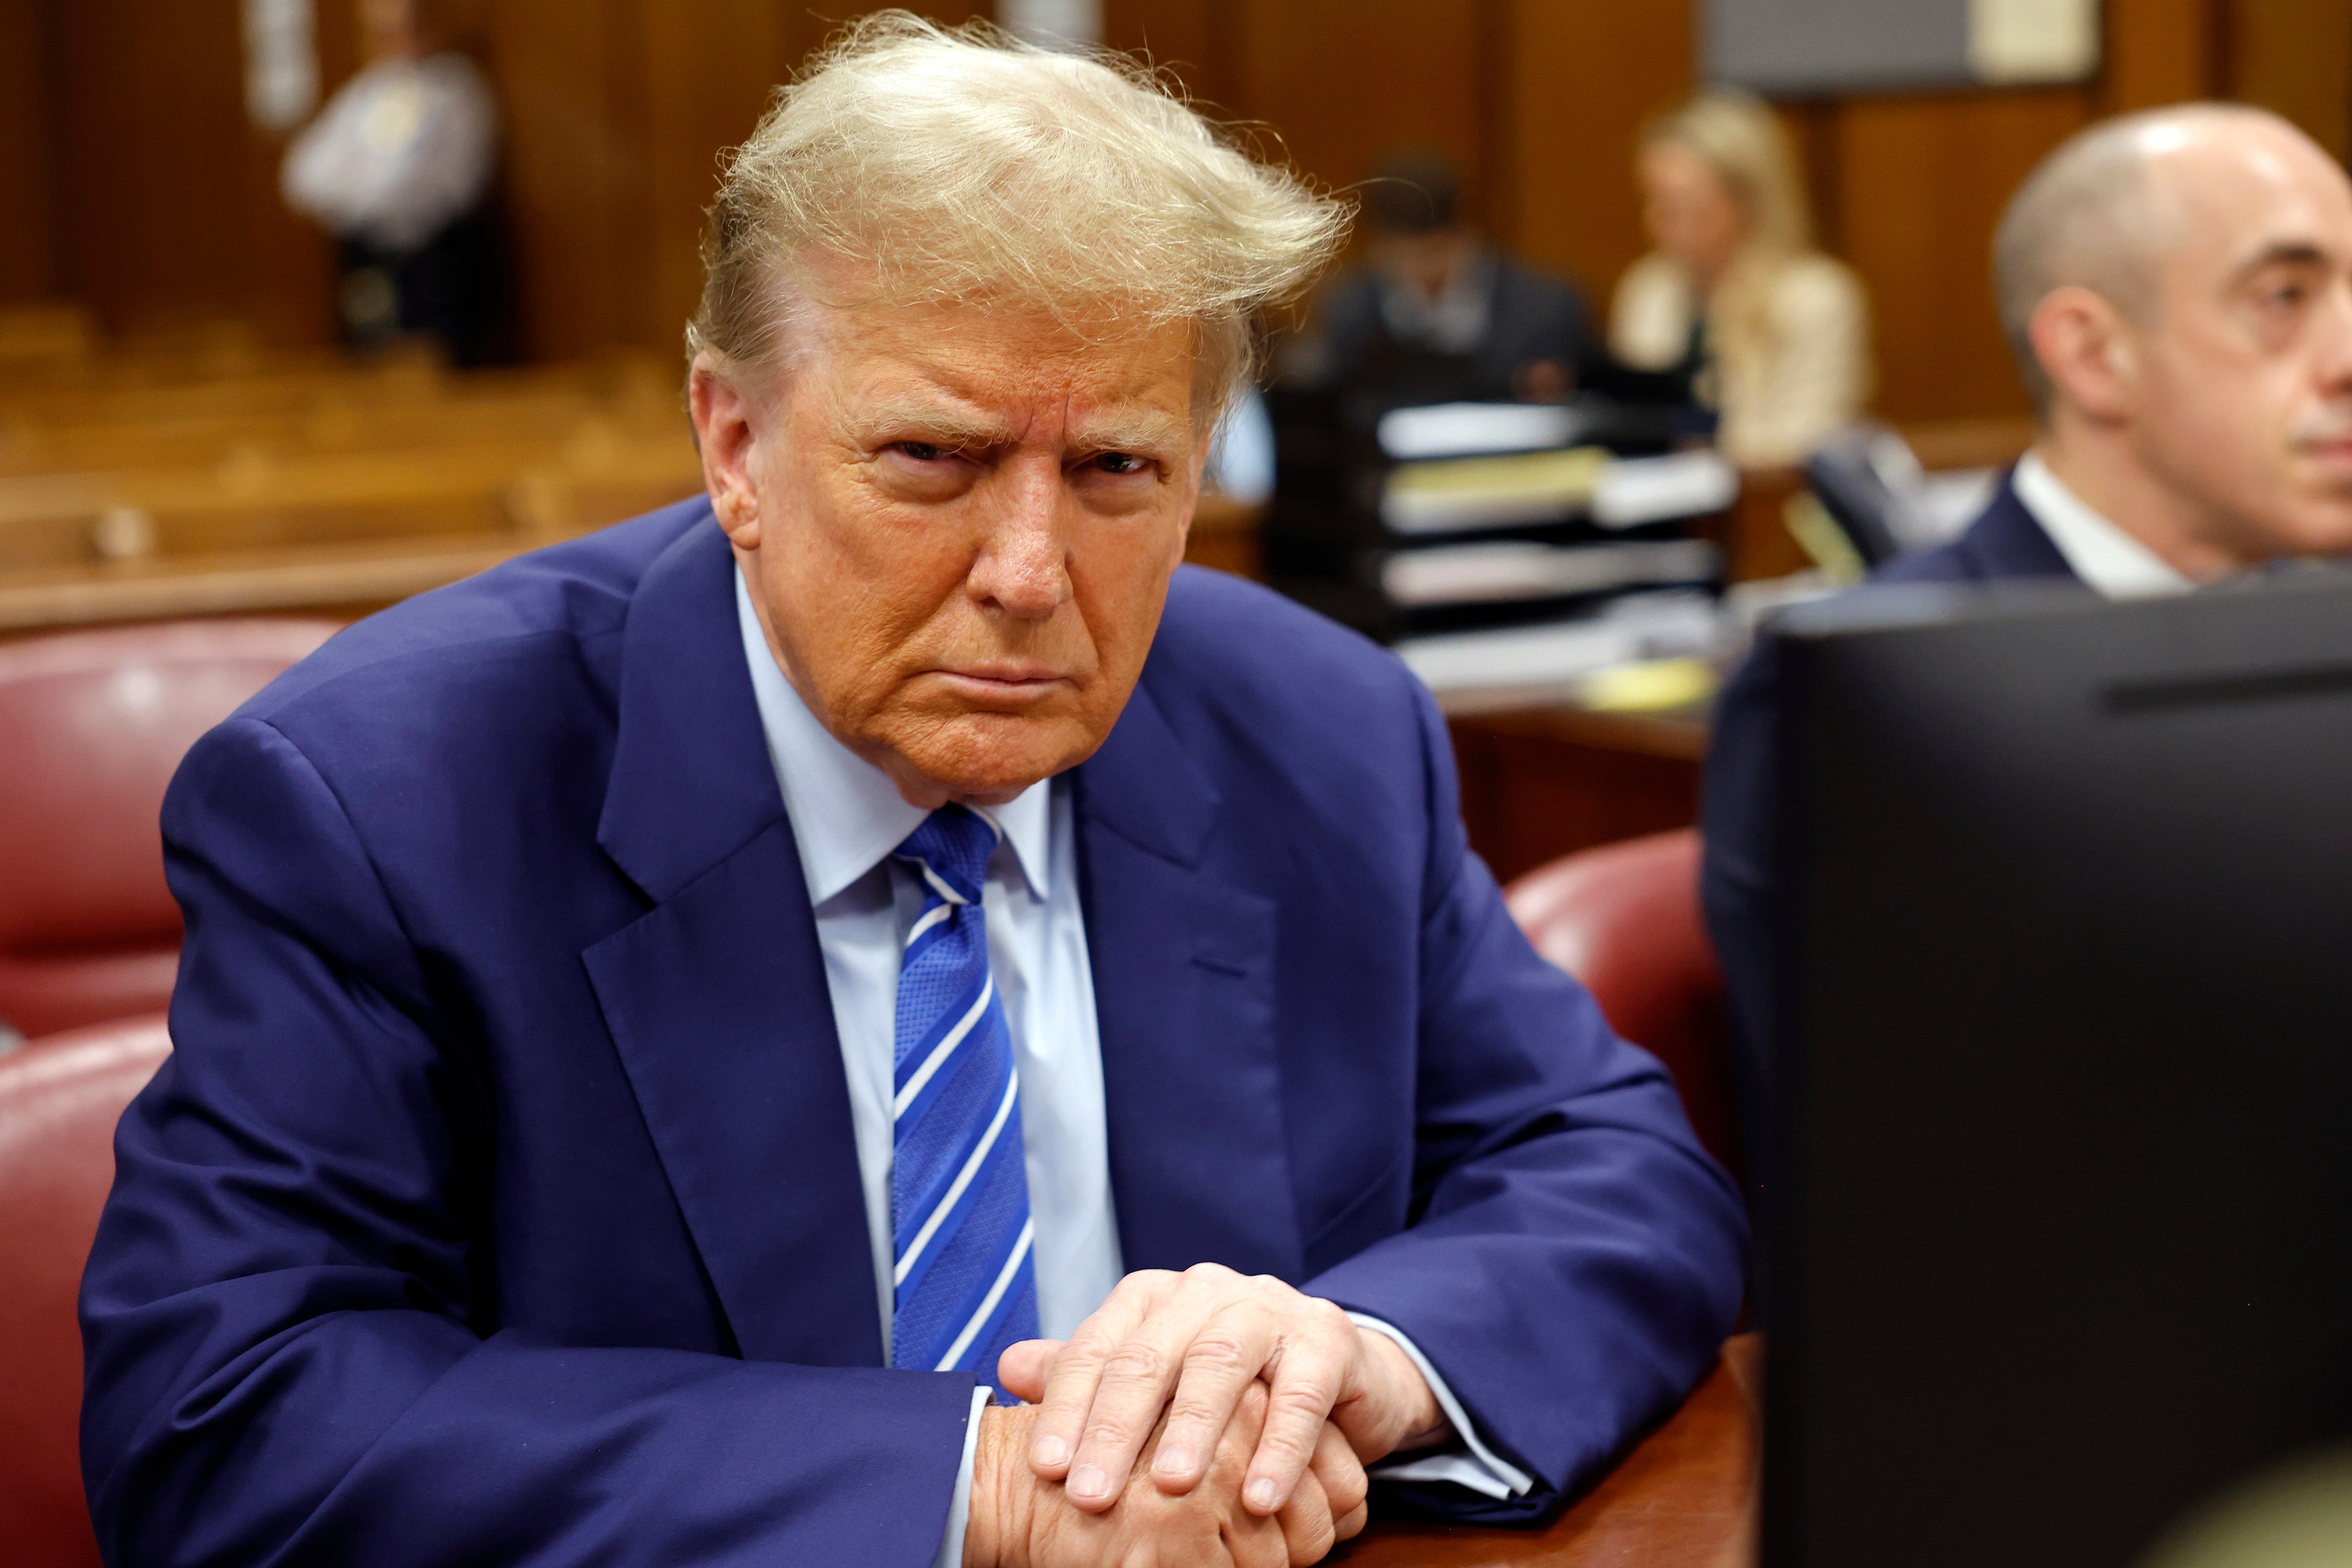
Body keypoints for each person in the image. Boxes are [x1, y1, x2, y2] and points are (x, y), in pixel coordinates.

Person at [80, 18, 1747, 1568]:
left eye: (1114, 469)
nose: (1029, 572)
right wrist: (987, 1480)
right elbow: (229, 1405)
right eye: (930, 461)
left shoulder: (1316, 726)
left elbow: (1609, 1166)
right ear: (733, 442)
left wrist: (1359, 1356)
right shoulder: (391, 791)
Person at [1701, 103, 2352, 1214]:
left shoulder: (2321, 626)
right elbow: (1916, 1178)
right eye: (2284, 300)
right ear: (2094, 354)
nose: (2344, 355)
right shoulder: (1878, 690)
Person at [1610, 91, 1870, 468]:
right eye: (1657, 203)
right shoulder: (1648, 290)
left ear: (1749, 200)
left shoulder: (1817, 296)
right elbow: (1632, 419)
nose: (1666, 222)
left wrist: (1696, 446)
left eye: (1690, 204)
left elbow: (1809, 439)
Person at [281, 0, 506, 363]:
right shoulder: (364, 95)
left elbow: (396, 185)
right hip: (368, 259)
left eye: (399, 30)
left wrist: (349, 189)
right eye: (377, 33)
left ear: (427, 29)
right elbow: (303, 175)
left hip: (433, 265)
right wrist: (355, 191)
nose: (388, 43)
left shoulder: (451, 91)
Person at [1287, 151, 1600, 406]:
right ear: (1379, 251)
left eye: (1437, 252)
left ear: (1469, 234)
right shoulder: (1349, 311)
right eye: (1404, 256)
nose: (1425, 271)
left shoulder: (1548, 309)